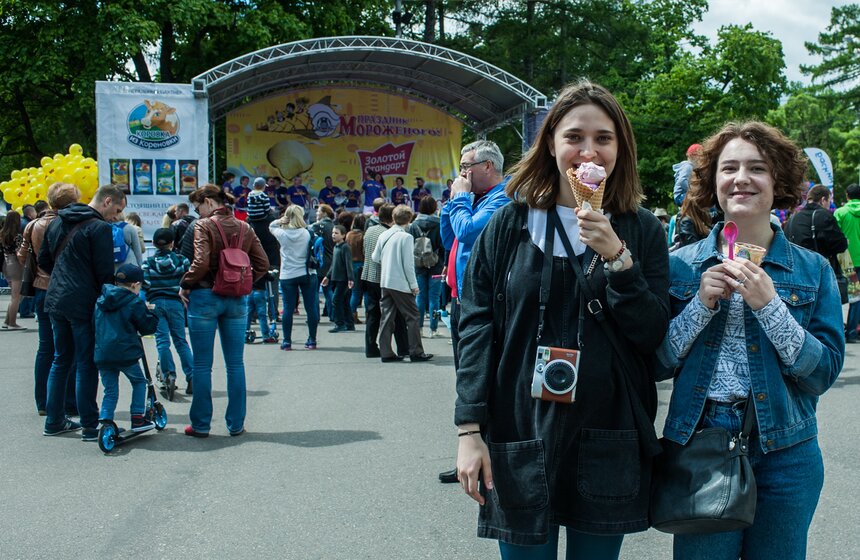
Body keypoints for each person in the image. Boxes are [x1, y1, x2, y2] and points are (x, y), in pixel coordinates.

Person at [454, 81, 670, 557]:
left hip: (607, 428)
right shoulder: (509, 224)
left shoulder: (641, 228)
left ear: (620, 149)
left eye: (603, 138)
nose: (588, 150)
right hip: (519, 424)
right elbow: (475, 327)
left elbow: (653, 334)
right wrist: (469, 431)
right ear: (550, 144)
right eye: (574, 137)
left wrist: (618, 259)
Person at [658, 121, 844, 559]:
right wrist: (699, 307)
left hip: (787, 450)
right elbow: (656, 361)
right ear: (713, 181)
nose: (741, 178)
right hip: (700, 445)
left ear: (777, 180)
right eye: (729, 168)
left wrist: (770, 306)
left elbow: (822, 373)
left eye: (756, 168)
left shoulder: (812, 270)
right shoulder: (680, 267)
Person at [438, 138, 511, 484]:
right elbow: (448, 237)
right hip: (459, 296)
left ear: (488, 167)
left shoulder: (501, 198)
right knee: (465, 376)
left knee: (480, 377)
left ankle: (489, 452)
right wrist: (453, 203)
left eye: (467, 167)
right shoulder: (473, 199)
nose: (462, 174)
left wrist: (460, 199)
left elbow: (467, 232)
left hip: (480, 302)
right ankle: (471, 447)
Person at [179, 185, 269, 437]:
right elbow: (262, 263)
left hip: (205, 295)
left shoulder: (203, 226)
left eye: (198, 208)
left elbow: (201, 262)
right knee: (235, 364)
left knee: (201, 365)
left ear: (208, 202)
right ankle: (236, 424)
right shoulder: (245, 227)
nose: (198, 214)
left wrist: (186, 284)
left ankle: (200, 424)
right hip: (236, 299)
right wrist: (243, 282)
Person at [39, 184, 127, 440]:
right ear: (107, 201)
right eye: (117, 210)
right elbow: (103, 272)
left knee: (61, 359)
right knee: (86, 362)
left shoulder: (55, 222)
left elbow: (44, 260)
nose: (117, 216)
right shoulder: (99, 228)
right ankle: (89, 423)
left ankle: (54, 421)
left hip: (56, 298)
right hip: (82, 300)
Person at [18, 183, 80, 415]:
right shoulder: (68, 224)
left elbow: (22, 255)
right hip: (65, 289)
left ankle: (43, 402)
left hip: (41, 287)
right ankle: (67, 401)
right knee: (68, 348)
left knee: (46, 347)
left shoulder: (33, 224)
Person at [94, 264, 160, 432]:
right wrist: (152, 313)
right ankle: (138, 418)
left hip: (102, 352)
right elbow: (147, 327)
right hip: (125, 353)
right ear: (134, 285)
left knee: (110, 389)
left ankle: (106, 420)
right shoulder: (133, 301)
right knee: (139, 382)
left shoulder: (101, 300)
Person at [372, 205, 433, 363]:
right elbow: (408, 265)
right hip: (400, 283)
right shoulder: (406, 237)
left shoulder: (384, 234)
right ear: (409, 219)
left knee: (387, 317)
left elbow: (375, 257)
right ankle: (416, 351)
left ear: (393, 217)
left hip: (385, 281)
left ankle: (385, 351)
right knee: (412, 316)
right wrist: (414, 285)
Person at [143, 228, 194, 394]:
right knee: (180, 340)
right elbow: (188, 280)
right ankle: (192, 376)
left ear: (153, 243)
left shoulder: (148, 263)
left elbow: (145, 284)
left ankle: (168, 375)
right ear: (173, 243)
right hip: (176, 303)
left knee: (162, 341)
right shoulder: (182, 261)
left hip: (156, 304)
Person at [362, 203, 409, 358]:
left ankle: (370, 347)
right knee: (395, 315)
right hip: (384, 277)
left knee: (373, 314)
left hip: (368, 275)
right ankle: (403, 347)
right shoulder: (389, 234)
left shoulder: (369, 230)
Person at [269, 205, 319, 350]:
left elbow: (271, 225)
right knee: (311, 308)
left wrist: (281, 220)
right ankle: (312, 339)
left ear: (287, 216)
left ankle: (287, 341)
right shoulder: (308, 233)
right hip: (307, 273)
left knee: (288, 308)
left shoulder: (282, 233)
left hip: (288, 274)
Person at [784, 184, 848, 292]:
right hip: (819, 275)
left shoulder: (793, 218)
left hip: (795, 275)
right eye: (829, 201)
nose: (829, 204)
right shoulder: (823, 215)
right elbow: (840, 245)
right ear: (823, 200)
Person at [413, 196, 445, 338]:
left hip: (418, 264)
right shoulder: (439, 223)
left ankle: (418, 328)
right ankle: (433, 328)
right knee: (434, 298)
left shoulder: (414, 224)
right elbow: (443, 244)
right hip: (436, 264)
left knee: (420, 298)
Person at [835, 184, 860, 342]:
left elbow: (834, 236)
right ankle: (854, 330)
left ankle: (850, 331)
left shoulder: (840, 212)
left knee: (854, 294)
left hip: (847, 260)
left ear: (847, 195)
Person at [321, 224, 355, 333]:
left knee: (336, 300)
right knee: (344, 302)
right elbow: (333, 265)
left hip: (343, 279)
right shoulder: (336, 247)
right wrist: (327, 276)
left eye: (336, 233)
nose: (333, 235)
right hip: (336, 278)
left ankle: (339, 323)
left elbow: (348, 263)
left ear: (343, 235)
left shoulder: (345, 247)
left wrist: (350, 278)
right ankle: (349, 324)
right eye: (333, 233)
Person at [2, 210, 26, 330]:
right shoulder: (17, 236)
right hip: (16, 265)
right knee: (17, 296)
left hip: (7, 264)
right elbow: (20, 253)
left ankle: (7, 321)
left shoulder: (3, 234)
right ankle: (12, 323)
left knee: (15, 295)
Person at [311, 204, 336, 320]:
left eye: (319, 211)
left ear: (324, 213)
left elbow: (307, 230)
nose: (317, 213)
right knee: (328, 290)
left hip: (319, 262)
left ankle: (315, 316)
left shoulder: (317, 226)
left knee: (314, 291)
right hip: (331, 262)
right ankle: (333, 315)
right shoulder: (334, 226)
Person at [346, 214, 366, 325]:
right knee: (365, 292)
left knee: (354, 291)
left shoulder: (349, 235)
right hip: (362, 263)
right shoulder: (363, 235)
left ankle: (352, 314)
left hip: (351, 264)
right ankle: (369, 314)